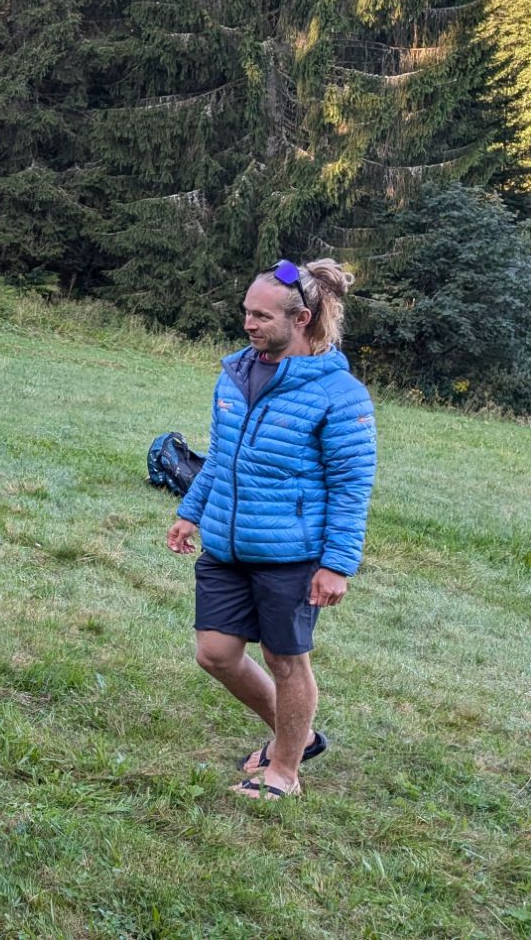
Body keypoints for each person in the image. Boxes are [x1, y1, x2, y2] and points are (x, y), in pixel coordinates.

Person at [167, 258, 376, 799]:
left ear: (300, 319)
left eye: (261, 316)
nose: (248, 324)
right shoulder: (235, 374)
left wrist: (337, 564)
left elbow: (352, 486)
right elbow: (220, 457)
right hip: (227, 545)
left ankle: (284, 773)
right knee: (215, 653)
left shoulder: (339, 394)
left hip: (291, 554)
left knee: (285, 661)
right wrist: (191, 511)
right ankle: (297, 738)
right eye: (246, 312)